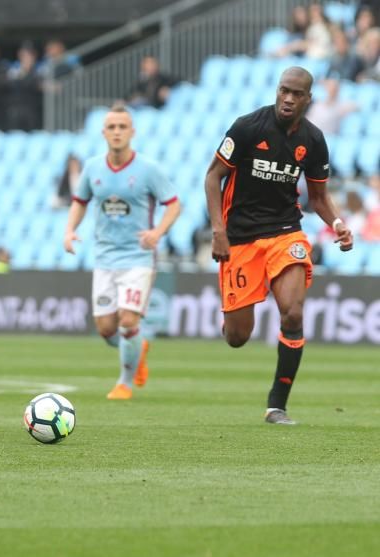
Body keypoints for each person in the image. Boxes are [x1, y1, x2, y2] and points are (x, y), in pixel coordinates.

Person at [204, 67, 354, 425]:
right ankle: (231, 308)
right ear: (277, 91)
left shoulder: (314, 140)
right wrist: (218, 231)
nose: (288, 98)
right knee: (238, 337)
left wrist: (336, 223)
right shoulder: (247, 127)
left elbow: (318, 196)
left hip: (286, 232)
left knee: (294, 313)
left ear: (308, 99)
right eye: (284, 91)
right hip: (239, 238)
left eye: (296, 94)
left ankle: (277, 406)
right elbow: (213, 177)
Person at [63, 104, 181, 400]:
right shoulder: (92, 168)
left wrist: (157, 233)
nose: (117, 132)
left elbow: (174, 203)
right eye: (111, 127)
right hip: (104, 257)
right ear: (104, 133)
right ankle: (137, 347)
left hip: (137, 257)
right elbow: (80, 201)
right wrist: (69, 230)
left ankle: (124, 383)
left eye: (122, 127)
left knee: (128, 320)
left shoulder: (148, 170)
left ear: (132, 132)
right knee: (106, 328)